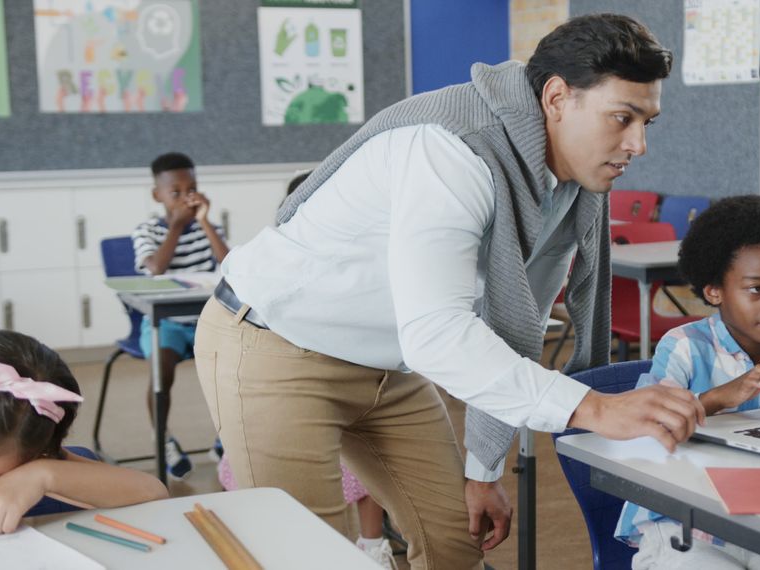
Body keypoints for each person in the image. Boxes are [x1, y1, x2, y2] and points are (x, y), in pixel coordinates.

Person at [195, 14, 704, 569]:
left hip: (389, 364)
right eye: (622, 118)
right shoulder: (449, 150)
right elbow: (437, 333)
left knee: (456, 545)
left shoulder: (570, 184)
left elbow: (517, 324)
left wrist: (483, 471)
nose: (639, 144)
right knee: (307, 557)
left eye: (647, 121)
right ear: (558, 98)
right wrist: (592, 408)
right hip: (274, 344)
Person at [615, 195, 760, 569]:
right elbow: (647, 427)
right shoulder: (685, 347)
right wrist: (721, 397)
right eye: (757, 289)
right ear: (714, 291)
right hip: (681, 524)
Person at [213, 170, 397, 568]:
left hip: (343, 388)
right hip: (282, 389)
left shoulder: (355, 259)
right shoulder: (276, 264)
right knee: (261, 475)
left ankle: (372, 547)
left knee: (362, 464)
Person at [0, 330, 169, 533]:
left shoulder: (45, 469)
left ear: (37, 456)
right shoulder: (17, 456)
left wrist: (44, 475)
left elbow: (154, 492)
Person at [132, 152, 229, 479]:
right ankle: (162, 439)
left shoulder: (208, 226)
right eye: (176, 192)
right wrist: (175, 227)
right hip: (168, 324)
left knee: (236, 370)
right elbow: (155, 268)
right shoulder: (147, 231)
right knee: (162, 370)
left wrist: (204, 222)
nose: (186, 197)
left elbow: (230, 266)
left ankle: (225, 439)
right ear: (156, 195)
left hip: (208, 321)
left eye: (193, 189)